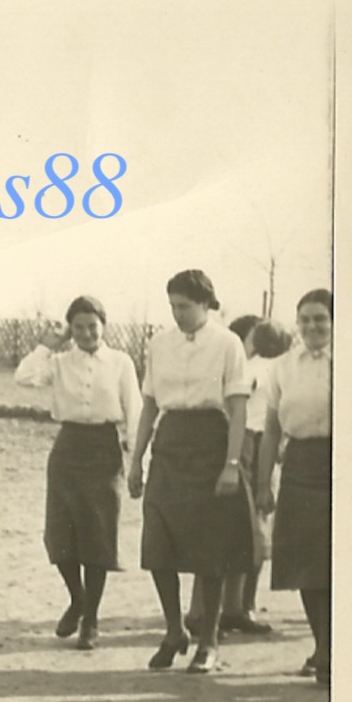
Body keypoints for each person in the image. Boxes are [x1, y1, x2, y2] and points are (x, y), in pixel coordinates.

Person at [127, 270, 254, 674]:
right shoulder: (158, 344)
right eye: (173, 306)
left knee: (208, 549)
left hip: (210, 444)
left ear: (205, 304)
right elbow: (148, 406)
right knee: (158, 544)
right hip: (169, 446)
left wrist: (231, 465)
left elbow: (237, 410)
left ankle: (209, 642)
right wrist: (136, 460)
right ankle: (173, 631)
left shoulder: (228, 343)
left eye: (185, 306)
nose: (177, 314)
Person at [15, 296, 141, 649]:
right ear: (70, 329)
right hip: (68, 447)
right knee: (61, 531)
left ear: (104, 326)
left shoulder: (120, 362)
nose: (86, 333)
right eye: (79, 327)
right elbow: (23, 377)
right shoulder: (58, 362)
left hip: (104, 449)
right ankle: (78, 598)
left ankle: (91, 619)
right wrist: (46, 345)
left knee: (97, 533)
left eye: (92, 326)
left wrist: (136, 460)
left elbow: (134, 408)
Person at [184, 315, 293, 635]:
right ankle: (201, 611)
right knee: (226, 528)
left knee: (253, 531)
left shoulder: (268, 367)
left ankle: (236, 607)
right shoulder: (250, 368)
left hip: (259, 444)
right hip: (240, 441)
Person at [256, 290, 332, 687]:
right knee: (306, 565)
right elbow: (271, 430)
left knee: (339, 562)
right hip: (300, 465)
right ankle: (323, 647)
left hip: (344, 465)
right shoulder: (284, 367)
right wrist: (264, 482)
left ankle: (335, 647)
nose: (312, 327)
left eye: (320, 318)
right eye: (304, 319)